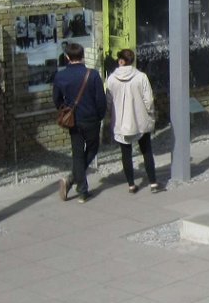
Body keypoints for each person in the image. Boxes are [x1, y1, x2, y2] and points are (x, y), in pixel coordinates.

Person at [53, 43, 105, 202]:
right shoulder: (93, 75)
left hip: (73, 121)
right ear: (82, 56)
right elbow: (100, 100)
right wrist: (100, 116)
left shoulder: (60, 76)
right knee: (93, 148)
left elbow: (56, 99)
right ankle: (75, 184)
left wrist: (66, 110)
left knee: (77, 154)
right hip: (91, 119)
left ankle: (79, 187)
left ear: (67, 57)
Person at [105, 48, 160, 193]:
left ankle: (131, 184)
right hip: (141, 120)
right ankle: (153, 182)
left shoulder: (111, 79)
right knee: (147, 151)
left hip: (121, 122)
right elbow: (149, 100)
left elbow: (108, 102)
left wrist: (110, 116)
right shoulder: (141, 77)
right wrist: (151, 114)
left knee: (126, 154)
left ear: (121, 61)